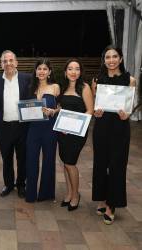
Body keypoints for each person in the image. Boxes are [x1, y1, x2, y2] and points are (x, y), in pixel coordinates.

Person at [92, 45, 136, 225]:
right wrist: (97, 112)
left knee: (117, 166)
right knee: (101, 164)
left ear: (121, 59)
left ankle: (112, 205)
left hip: (120, 128)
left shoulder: (130, 80)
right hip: (102, 127)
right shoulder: (97, 80)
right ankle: (102, 199)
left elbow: (130, 105)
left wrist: (128, 113)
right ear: (104, 60)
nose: (111, 60)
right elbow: (96, 105)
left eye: (114, 56)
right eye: (107, 57)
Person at [58, 58, 93, 211]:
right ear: (65, 72)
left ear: (80, 72)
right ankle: (69, 193)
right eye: (70, 69)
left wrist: (74, 127)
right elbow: (61, 107)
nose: (74, 72)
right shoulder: (62, 87)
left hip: (77, 132)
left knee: (70, 163)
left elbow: (90, 111)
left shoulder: (84, 87)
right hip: (63, 131)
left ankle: (76, 195)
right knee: (65, 163)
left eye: (77, 69)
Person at [0, 50, 31, 198]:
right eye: (5, 61)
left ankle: (21, 184)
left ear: (16, 62)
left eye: (11, 60)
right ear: (1, 64)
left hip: (22, 126)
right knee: (6, 158)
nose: (8, 63)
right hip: (3, 127)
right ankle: (9, 185)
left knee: (22, 158)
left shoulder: (27, 78)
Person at [25, 59, 60, 202]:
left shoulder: (55, 87)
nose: (41, 71)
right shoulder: (30, 87)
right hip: (33, 128)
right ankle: (31, 194)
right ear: (35, 71)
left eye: (45, 69)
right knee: (31, 160)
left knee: (49, 160)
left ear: (50, 72)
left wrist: (53, 111)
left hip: (49, 129)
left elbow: (61, 107)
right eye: (39, 68)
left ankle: (46, 193)